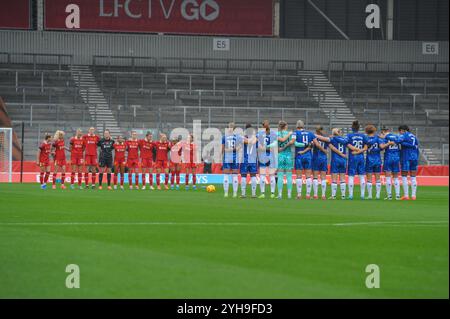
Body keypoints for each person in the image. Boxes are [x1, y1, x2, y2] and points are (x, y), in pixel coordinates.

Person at [316, 129, 348, 200]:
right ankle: (343, 196)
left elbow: (322, 138)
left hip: (336, 160)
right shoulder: (345, 139)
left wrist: (314, 135)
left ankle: (333, 196)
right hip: (343, 160)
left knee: (334, 178)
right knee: (342, 178)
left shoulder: (332, 139)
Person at [270, 121, 298, 199]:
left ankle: (280, 194)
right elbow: (294, 143)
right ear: (286, 126)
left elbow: (275, 144)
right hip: (289, 155)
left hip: (280, 156)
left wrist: (280, 148)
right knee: (289, 176)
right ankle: (289, 195)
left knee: (280, 175)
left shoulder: (276, 134)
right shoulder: (291, 133)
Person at [293, 120, 316, 200]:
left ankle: (299, 195)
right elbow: (314, 144)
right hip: (308, 156)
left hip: (299, 155)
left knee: (299, 176)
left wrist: (302, 147)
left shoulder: (295, 133)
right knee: (308, 176)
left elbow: (294, 143)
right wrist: (307, 146)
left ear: (297, 126)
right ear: (303, 126)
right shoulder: (310, 133)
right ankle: (308, 195)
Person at [346, 120, 368, 200]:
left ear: (352, 128)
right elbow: (366, 147)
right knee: (362, 175)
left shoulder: (349, 136)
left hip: (353, 156)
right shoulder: (363, 136)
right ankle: (362, 195)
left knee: (351, 176)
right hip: (361, 157)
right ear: (359, 128)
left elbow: (348, 145)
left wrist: (355, 151)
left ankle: (351, 195)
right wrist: (360, 151)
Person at [257, 120, 278, 199]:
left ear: (262, 126)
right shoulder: (273, 134)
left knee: (262, 175)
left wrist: (264, 148)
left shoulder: (259, 134)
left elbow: (259, 146)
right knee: (272, 175)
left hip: (262, 156)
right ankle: (272, 193)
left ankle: (262, 193)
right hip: (271, 155)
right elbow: (275, 144)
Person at [398, 125, 420, 200]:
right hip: (414, 157)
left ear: (402, 130)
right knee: (413, 176)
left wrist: (402, 143)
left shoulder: (404, 135)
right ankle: (413, 196)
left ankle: (406, 195)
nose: (400, 133)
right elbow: (416, 146)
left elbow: (397, 141)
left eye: (400, 131)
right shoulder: (414, 136)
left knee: (404, 176)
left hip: (406, 156)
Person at [380, 127, 402, 200]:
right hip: (396, 157)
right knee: (396, 177)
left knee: (388, 177)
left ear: (383, 131)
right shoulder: (396, 136)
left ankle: (389, 196)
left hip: (388, 157)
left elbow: (382, 147)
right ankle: (398, 195)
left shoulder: (385, 137)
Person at [222, 122, 243, 198]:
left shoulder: (224, 137)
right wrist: (235, 149)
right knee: (235, 176)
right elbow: (240, 146)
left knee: (226, 175)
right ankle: (234, 193)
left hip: (227, 158)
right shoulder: (237, 137)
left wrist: (222, 155)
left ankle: (226, 193)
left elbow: (223, 149)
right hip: (235, 158)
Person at [364, 125, 385, 200]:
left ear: (366, 131)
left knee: (369, 178)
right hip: (377, 159)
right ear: (374, 130)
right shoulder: (378, 138)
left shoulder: (365, 138)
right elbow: (382, 147)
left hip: (369, 159)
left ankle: (369, 196)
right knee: (377, 178)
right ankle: (378, 195)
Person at [239, 123, 258, 198]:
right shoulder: (255, 137)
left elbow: (245, 142)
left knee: (243, 175)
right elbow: (254, 142)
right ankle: (253, 194)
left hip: (245, 159)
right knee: (253, 175)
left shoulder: (242, 137)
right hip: (253, 159)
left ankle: (243, 194)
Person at [312, 125, 329, 200]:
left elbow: (312, 145)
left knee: (315, 176)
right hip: (324, 158)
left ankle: (315, 195)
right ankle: (323, 195)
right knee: (323, 177)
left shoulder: (314, 137)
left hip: (316, 157)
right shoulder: (326, 138)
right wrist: (325, 151)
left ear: (316, 131)